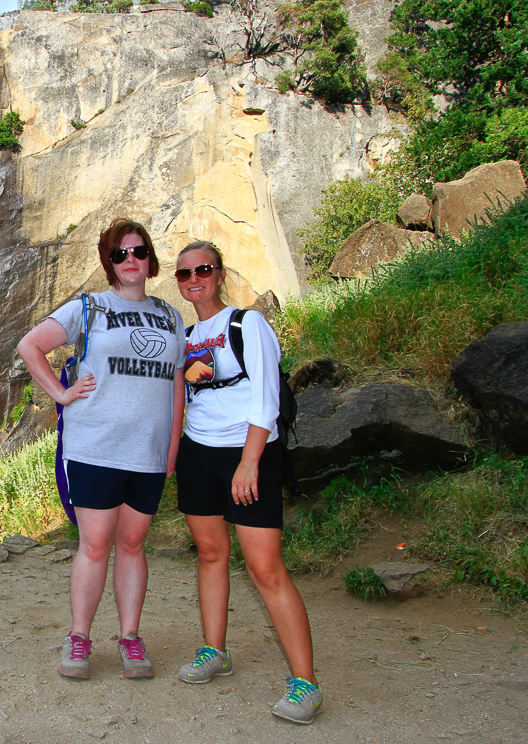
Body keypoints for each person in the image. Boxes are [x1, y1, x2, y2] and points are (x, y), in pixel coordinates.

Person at [16, 218, 186, 680]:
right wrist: (61, 392)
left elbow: (175, 386)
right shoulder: (89, 308)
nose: (130, 260)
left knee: (132, 544)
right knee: (94, 545)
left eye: (138, 251)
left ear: (150, 259)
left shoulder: (171, 317)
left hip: (147, 453)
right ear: (109, 263)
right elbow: (30, 345)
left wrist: (171, 448)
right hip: (95, 447)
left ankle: (130, 638)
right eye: (119, 254)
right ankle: (79, 637)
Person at [172, 240, 322, 724]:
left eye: (203, 269)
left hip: (247, 451)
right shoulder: (187, 335)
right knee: (212, 554)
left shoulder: (247, 323)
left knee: (265, 567)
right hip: (199, 452)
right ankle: (214, 650)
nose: (193, 278)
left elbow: (266, 396)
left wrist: (250, 461)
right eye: (184, 273)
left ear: (218, 274)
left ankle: (306, 682)